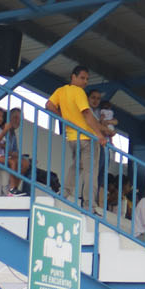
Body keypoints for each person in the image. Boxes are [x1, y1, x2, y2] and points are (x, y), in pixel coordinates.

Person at [46, 65, 106, 208]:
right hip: (86, 137)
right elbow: (86, 114)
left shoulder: (61, 91)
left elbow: (49, 105)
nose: (85, 81)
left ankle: (65, 192)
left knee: (76, 167)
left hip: (72, 137)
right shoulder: (79, 92)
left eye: (87, 79)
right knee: (90, 172)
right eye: (82, 78)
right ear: (73, 77)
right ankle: (88, 204)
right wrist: (99, 134)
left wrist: (62, 118)